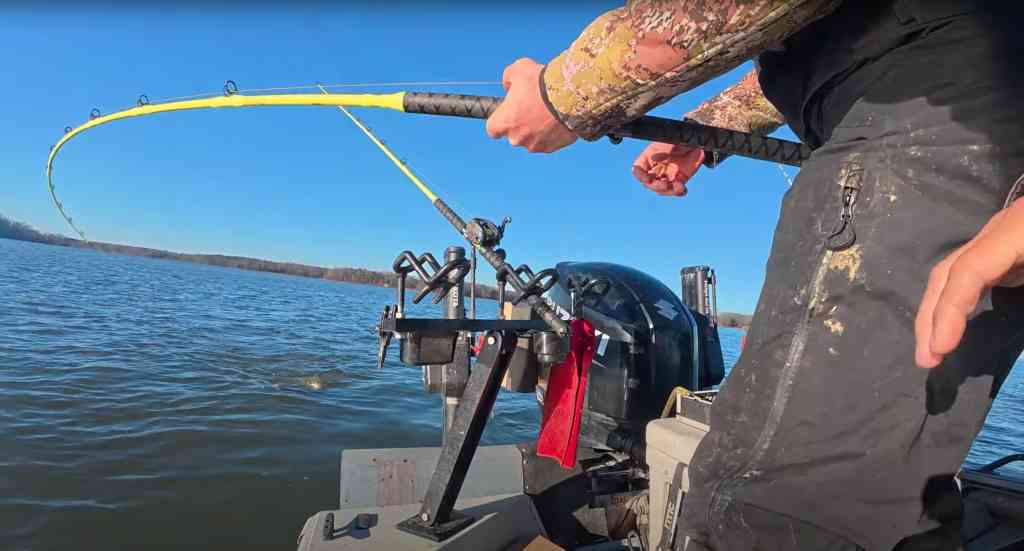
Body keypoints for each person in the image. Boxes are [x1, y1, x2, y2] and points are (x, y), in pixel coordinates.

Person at [485, 1, 1024, 549]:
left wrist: (564, 93)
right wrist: (705, 129)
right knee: (870, 496)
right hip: (953, 135)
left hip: (919, 125)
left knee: (777, 512)